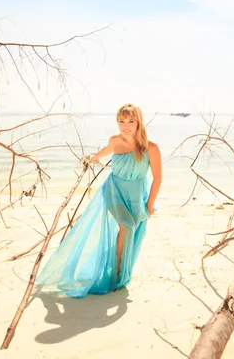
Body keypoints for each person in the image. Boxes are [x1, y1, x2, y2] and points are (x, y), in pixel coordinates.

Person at [36, 103, 162, 298]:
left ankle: (120, 270)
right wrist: (91, 159)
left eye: (130, 121)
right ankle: (118, 272)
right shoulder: (115, 140)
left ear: (139, 122)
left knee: (133, 233)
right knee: (125, 226)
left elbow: (158, 178)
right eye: (121, 121)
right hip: (114, 190)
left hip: (137, 195)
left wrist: (149, 204)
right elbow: (106, 151)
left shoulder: (150, 147)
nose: (125, 125)